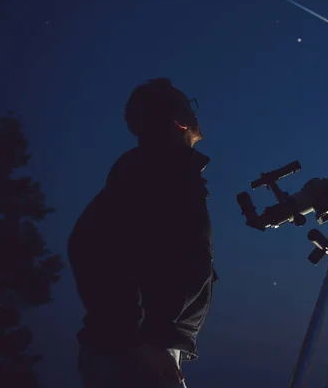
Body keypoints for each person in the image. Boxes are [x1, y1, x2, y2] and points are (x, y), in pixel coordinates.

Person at [68, 78, 217, 388]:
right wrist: (137, 340)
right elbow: (88, 246)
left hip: (144, 347)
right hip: (135, 354)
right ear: (179, 121)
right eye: (190, 106)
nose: (195, 112)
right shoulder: (155, 171)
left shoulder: (161, 170)